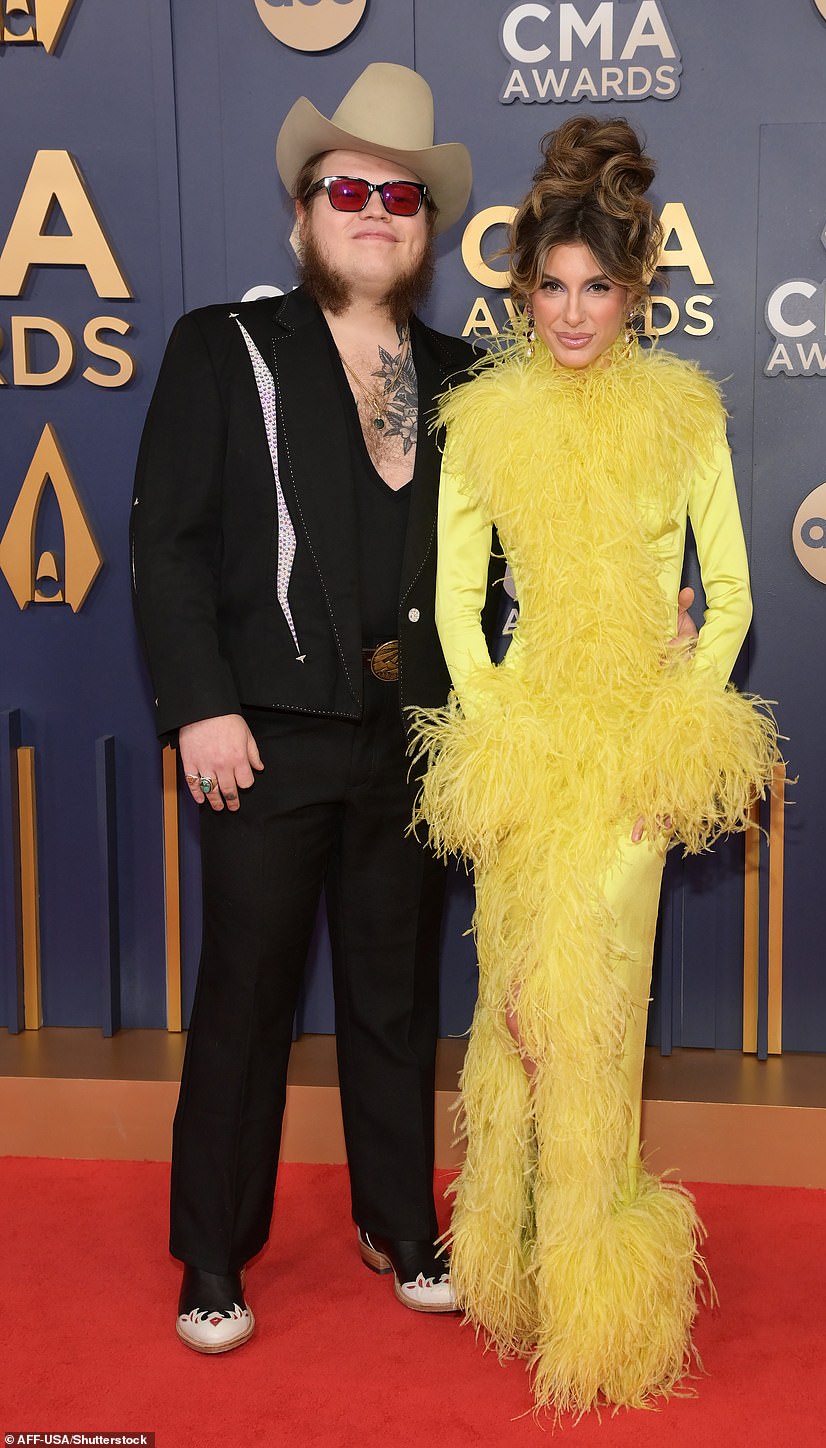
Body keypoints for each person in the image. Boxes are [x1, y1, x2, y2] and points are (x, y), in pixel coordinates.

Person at [411, 115, 780, 1415]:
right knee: (509, 1020)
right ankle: (514, 1284)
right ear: (522, 292)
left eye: (597, 288)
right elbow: (459, 606)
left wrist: (658, 740)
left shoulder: (680, 417)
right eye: (551, 288)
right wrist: (507, 720)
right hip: (526, 765)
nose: (573, 313)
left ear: (633, 292)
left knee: (587, 1026)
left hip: (627, 767)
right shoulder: (488, 423)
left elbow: (723, 597)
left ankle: (601, 1311)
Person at [130, 62, 478, 1351]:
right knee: (247, 1002)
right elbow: (166, 543)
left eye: (400, 193)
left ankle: (401, 1224)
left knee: (395, 1003)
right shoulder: (224, 345)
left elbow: (510, 556)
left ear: (426, 226)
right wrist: (200, 708)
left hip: (411, 747)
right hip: (264, 740)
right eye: (349, 188)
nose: (375, 209)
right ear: (303, 212)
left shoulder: (464, 375)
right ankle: (211, 1255)